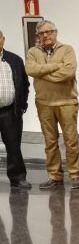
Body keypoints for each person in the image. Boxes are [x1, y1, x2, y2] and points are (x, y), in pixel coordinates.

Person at [24, 20, 79, 189]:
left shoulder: (67, 50)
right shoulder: (33, 52)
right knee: (50, 142)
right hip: (44, 104)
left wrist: (43, 72)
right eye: (42, 33)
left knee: (71, 141)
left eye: (49, 32)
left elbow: (68, 72)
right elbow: (30, 70)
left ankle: (75, 174)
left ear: (56, 32)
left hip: (67, 102)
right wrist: (56, 66)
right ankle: (55, 176)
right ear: (38, 36)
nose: (46, 35)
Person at [0, 29, 30, 188]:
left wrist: (22, 105)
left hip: (10, 111)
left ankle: (17, 177)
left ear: (3, 40)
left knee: (13, 146)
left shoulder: (15, 60)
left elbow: (25, 84)